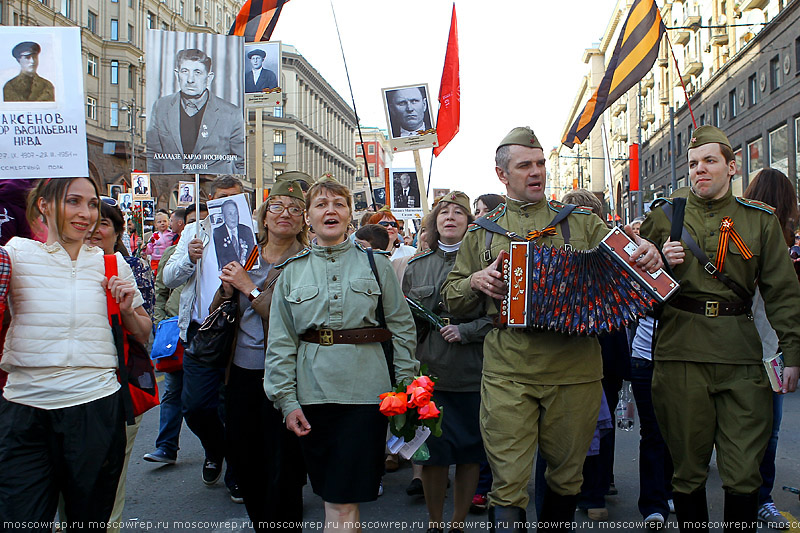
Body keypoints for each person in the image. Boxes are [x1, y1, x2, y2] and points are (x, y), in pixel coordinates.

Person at [441, 127, 662, 532]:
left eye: (540, 163)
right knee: (507, 484)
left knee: (566, 477)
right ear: (502, 174)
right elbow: (451, 298)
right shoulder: (482, 234)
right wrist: (475, 282)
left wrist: (648, 252)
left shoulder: (582, 224)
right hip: (509, 370)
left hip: (574, 371)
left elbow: (637, 263)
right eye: (525, 165)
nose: (536, 172)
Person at [641, 126, 800, 533]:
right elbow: (632, 290)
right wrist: (657, 263)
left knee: (744, 468)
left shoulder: (759, 221)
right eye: (693, 164)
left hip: (741, 357)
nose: (700, 170)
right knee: (688, 469)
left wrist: (793, 355)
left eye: (710, 161)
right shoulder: (664, 216)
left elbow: (782, 294)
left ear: (732, 167)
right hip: (681, 354)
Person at [265, 176, 418, 533]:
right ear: (308, 218)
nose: (329, 210)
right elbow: (281, 342)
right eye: (320, 205)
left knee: (343, 499)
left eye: (339, 204)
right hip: (313, 396)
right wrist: (286, 402)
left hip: (367, 395)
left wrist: (407, 384)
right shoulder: (290, 271)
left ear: (350, 215)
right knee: (336, 498)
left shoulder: (376, 264)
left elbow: (401, 327)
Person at [0, 177, 151, 529]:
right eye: (73, 202)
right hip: (25, 412)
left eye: (92, 204)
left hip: (95, 409)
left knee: (89, 523)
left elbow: (144, 333)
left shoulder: (112, 264)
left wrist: (127, 309)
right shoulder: (15, 254)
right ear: (43, 205)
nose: (85, 214)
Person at [210, 177, 309, 531]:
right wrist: (225, 289)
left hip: (286, 376)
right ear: (264, 216)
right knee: (245, 457)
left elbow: (290, 318)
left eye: (295, 209)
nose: (286, 214)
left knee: (284, 465)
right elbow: (221, 308)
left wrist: (248, 287)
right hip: (241, 372)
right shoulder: (247, 254)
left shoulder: (307, 261)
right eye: (278, 207)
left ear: (303, 220)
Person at [403, 191, 491, 533]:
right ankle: (435, 522)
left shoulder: (484, 266)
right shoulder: (416, 268)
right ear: (434, 223)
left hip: (473, 373)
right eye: (443, 213)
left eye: (459, 212)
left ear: (470, 223)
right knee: (433, 457)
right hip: (430, 376)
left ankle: (457, 523)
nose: (450, 217)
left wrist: (466, 330)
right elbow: (405, 326)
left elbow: (497, 318)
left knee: (471, 454)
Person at [162, 175, 244, 501]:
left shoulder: (252, 232)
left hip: (240, 332)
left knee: (234, 406)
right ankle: (216, 448)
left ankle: (237, 471)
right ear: (210, 198)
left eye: (234, 198)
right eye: (221, 197)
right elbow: (169, 277)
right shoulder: (195, 232)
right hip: (202, 331)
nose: (227, 203)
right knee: (195, 406)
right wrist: (188, 258)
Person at [85, 198, 155, 533]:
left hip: (116, 391)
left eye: (102, 222)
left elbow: (143, 332)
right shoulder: (30, 259)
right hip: (50, 402)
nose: (91, 228)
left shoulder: (119, 266)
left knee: (107, 491)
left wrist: (126, 309)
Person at [743, 168, 798, 530]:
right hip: (764, 347)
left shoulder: (746, 229)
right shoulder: (749, 233)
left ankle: (756, 498)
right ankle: (758, 498)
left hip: (761, 347)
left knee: (761, 430)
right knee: (767, 431)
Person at [142, 204, 206, 466]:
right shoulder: (172, 253)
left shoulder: (221, 250)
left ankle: (216, 451)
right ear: (182, 225)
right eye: (192, 222)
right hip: (176, 330)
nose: (197, 228)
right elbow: (162, 290)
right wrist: (160, 323)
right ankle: (166, 446)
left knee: (204, 400)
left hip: (209, 332)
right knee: (172, 390)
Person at [146, 48, 245, 174]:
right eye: (185, 71)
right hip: (170, 186)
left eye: (197, 72)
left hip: (211, 187)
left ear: (209, 78)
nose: (190, 80)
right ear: (177, 75)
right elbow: (152, 155)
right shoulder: (161, 107)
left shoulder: (231, 113)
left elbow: (241, 163)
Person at [213, 199, 256, 270]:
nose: (233, 217)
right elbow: (220, 259)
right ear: (223, 216)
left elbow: (253, 253)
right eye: (230, 214)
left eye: (235, 213)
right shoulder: (217, 233)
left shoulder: (246, 230)